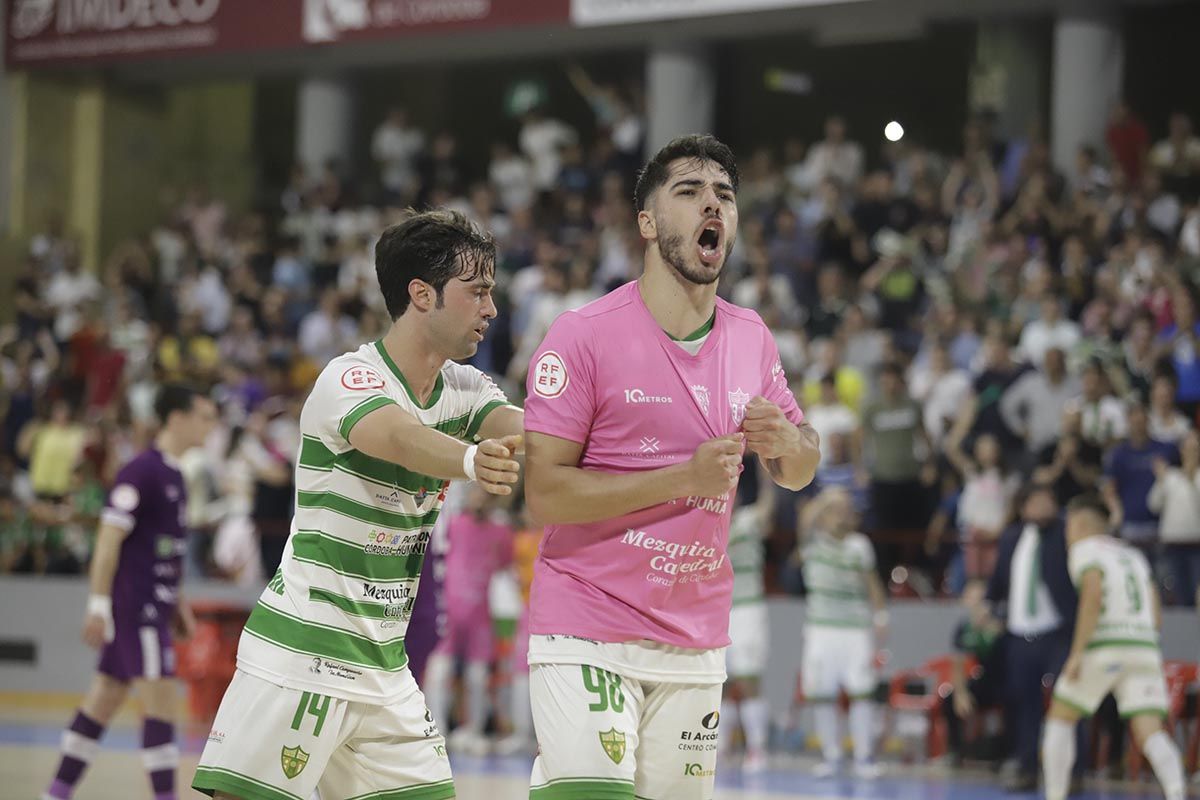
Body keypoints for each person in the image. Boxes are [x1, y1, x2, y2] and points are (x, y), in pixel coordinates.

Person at [522, 134, 820, 800]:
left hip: (694, 634)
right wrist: (683, 479)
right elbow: (542, 494)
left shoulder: (752, 337)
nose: (711, 204)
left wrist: (789, 443)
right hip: (587, 622)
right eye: (689, 192)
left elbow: (800, 464)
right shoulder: (584, 334)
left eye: (724, 196)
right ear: (648, 224)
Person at [192, 210, 525, 800]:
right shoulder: (349, 379)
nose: (491, 310)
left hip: (384, 666)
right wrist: (472, 462)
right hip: (303, 650)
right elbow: (395, 435)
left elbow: (536, 435)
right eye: (477, 292)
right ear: (422, 294)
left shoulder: (469, 390)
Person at [42, 384, 218, 800]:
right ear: (177, 418)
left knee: (102, 702)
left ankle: (53, 794)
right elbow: (107, 542)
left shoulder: (175, 475)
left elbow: (164, 550)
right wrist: (99, 605)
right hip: (137, 612)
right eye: (205, 416)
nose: (210, 426)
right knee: (161, 706)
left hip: (155, 609)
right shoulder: (142, 471)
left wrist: (177, 602)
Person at [1042, 495, 1186, 800]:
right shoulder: (1133, 555)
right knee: (1151, 731)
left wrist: (1078, 652)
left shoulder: (1084, 550)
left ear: (1079, 524)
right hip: (1144, 646)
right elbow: (1155, 611)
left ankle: (1055, 794)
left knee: (1060, 718)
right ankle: (1177, 792)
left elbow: (1093, 595)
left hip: (1106, 644)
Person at [985, 483, 1081, 793]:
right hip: (1019, 633)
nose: (1042, 507)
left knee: (1066, 701)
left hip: (1057, 632)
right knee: (1022, 703)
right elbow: (999, 578)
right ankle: (1026, 766)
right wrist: (989, 606)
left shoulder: (1064, 535)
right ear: (1024, 507)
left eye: (1047, 501)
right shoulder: (1013, 537)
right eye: (1036, 502)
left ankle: (1072, 771)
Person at [798, 487, 888, 778]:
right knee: (822, 694)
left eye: (845, 511)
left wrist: (881, 616)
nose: (840, 516)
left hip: (855, 630)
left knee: (861, 692)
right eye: (835, 511)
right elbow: (804, 520)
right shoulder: (813, 542)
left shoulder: (860, 545)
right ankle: (831, 756)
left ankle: (864, 757)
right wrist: (829, 497)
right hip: (820, 629)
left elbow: (872, 583)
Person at [423, 483, 514, 755]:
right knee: (439, 672)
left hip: (480, 616)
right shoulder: (454, 524)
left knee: (477, 676)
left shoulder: (501, 532)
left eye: (486, 495)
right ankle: (436, 729)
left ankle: (473, 731)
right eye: (476, 493)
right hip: (449, 612)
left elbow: (503, 565)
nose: (479, 499)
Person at [718, 463, 776, 773]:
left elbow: (768, 510)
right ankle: (722, 748)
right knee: (721, 681)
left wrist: (768, 477)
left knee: (749, 677)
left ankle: (756, 750)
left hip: (749, 607)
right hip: (718, 609)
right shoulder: (707, 523)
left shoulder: (749, 519)